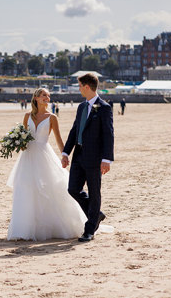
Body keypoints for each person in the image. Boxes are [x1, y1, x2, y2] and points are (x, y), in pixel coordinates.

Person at [7, 88, 87, 241]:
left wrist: (64, 155)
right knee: (26, 189)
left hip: (44, 154)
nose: (47, 97)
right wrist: (18, 143)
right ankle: (25, 229)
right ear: (36, 98)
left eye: (48, 96)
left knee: (51, 188)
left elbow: (58, 138)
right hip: (28, 157)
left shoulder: (52, 117)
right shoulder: (27, 116)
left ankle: (56, 226)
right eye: (44, 95)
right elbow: (24, 138)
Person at [62, 73, 114, 242]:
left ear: (86, 86)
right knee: (73, 189)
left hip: (95, 158)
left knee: (94, 192)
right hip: (78, 156)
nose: (78, 89)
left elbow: (108, 134)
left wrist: (107, 159)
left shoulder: (104, 107)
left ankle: (89, 230)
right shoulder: (81, 107)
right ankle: (96, 214)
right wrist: (65, 152)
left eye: (79, 86)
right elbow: (74, 130)